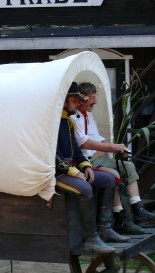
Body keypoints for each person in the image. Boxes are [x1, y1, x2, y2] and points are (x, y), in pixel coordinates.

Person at [71, 82, 155, 232]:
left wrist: (118, 149)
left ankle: (139, 211)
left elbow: (96, 139)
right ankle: (120, 219)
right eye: (92, 98)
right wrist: (114, 147)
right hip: (83, 162)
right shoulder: (73, 117)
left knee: (129, 167)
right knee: (113, 174)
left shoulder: (87, 114)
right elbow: (84, 143)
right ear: (82, 99)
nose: (95, 102)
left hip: (94, 158)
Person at [55, 82, 128, 254]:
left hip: (72, 169)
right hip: (56, 174)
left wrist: (86, 166)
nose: (77, 104)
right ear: (66, 101)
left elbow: (76, 151)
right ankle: (91, 238)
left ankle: (105, 228)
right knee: (85, 188)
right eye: (75, 101)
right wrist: (74, 172)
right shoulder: (53, 124)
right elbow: (53, 157)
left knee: (109, 180)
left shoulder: (67, 122)